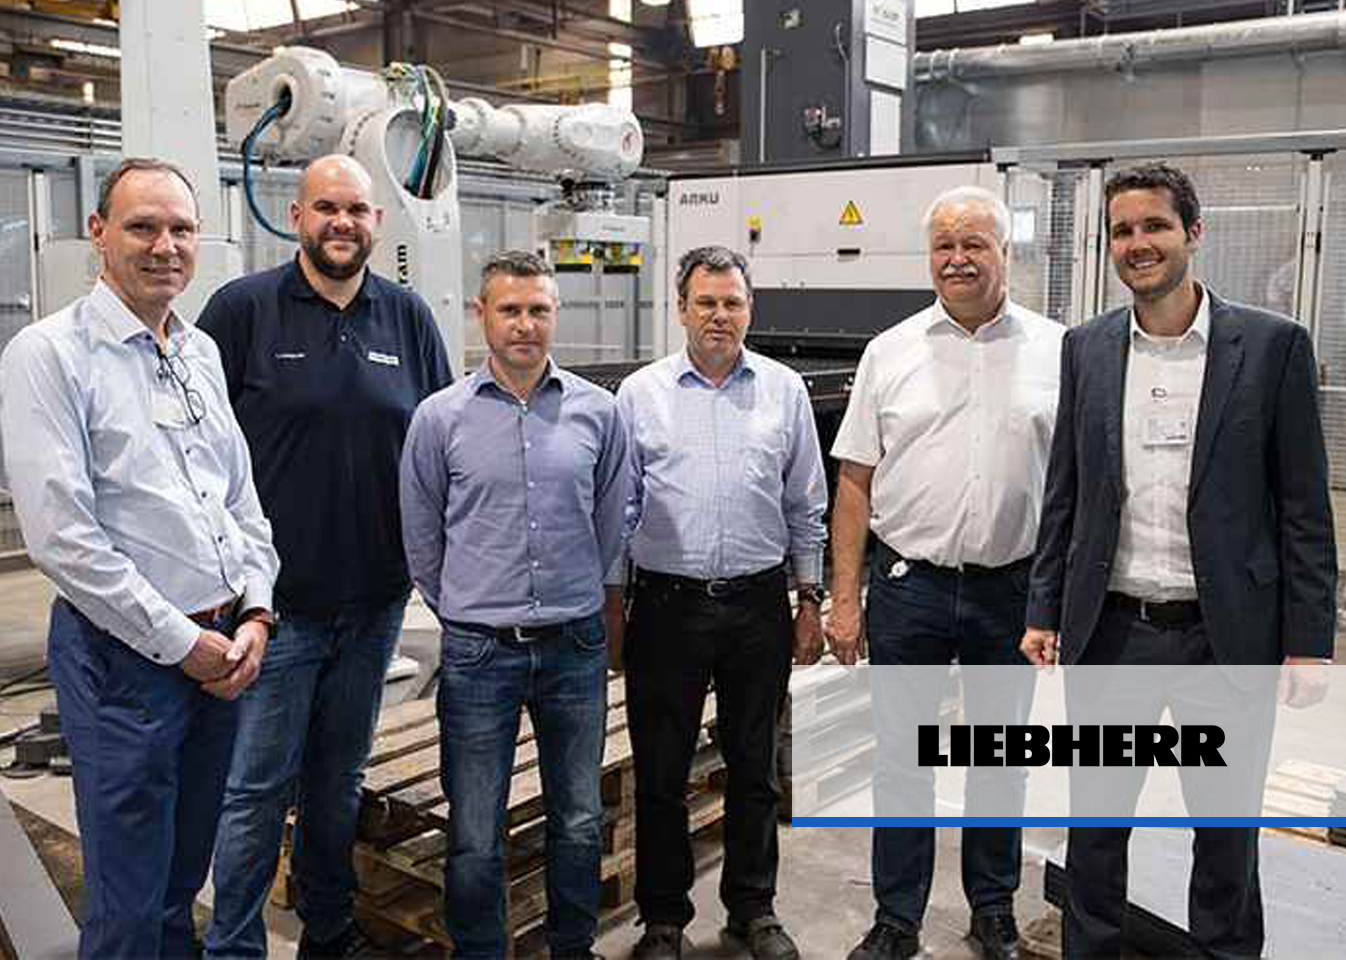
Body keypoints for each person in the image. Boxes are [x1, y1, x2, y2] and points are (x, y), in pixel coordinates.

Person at [1021, 162, 1337, 959]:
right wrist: (1044, 609)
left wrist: (1309, 641)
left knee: (1225, 832)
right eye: (1122, 230)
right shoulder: (1088, 348)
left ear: (1194, 233)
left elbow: (1304, 508)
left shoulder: (1272, 347)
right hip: (1113, 632)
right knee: (1097, 827)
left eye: (1155, 226)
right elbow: (1066, 492)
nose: (1138, 243)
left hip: (1223, 638)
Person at [0, 157, 278, 960]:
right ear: (98, 233)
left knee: (182, 885)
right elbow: (62, 537)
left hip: (223, 648)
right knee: (127, 902)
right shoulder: (49, 354)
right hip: (123, 663)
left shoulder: (199, 353)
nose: (165, 246)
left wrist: (258, 610)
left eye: (181, 229)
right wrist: (183, 643)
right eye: (143, 227)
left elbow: (240, 501)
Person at [199, 153, 453, 959]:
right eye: (326, 208)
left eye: (356, 210)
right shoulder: (243, 311)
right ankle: (234, 946)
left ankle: (330, 930)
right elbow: (196, 450)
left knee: (338, 781)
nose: (342, 223)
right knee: (254, 790)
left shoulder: (407, 317)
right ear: (297, 217)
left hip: (375, 601)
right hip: (274, 609)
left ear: (376, 222)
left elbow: (440, 443)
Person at [827, 186, 1065, 960]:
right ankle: (896, 919)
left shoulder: (1059, 351)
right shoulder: (889, 352)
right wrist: (844, 600)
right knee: (903, 759)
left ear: (1006, 253)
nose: (957, 259)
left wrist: (1060, 601)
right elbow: (854, 483)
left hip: (1013, 590)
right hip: (910, 587)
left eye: (974, 244)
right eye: (944, 246)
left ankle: (992, 910)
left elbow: (1077, 486)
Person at [399, 250, 629, 960]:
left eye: (537, 310)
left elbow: (611, 520)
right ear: (482, 316)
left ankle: (573, 946)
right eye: (509, 310)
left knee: (578, 818)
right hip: (478, 651)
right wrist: (463, 607)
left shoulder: (599, 413)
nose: (524, 325)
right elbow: (421, 533)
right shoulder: (440, 418)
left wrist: (575, 594)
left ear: (556, 314)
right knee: (474, 831)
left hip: (573, 646)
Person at [610, 246, 827, 960]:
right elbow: (617, 510)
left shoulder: (783, 391)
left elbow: (805, 504)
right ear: (681, 309)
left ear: (750, 310)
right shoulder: (640, 395)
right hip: (665, 606)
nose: (719, 316)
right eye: (705, 302)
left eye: (732, 303)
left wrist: (809, 600)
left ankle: (752, 910)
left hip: (758, 606)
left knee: (754, 767)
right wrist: (614, 608)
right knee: (662, 770)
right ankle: (663, 919)